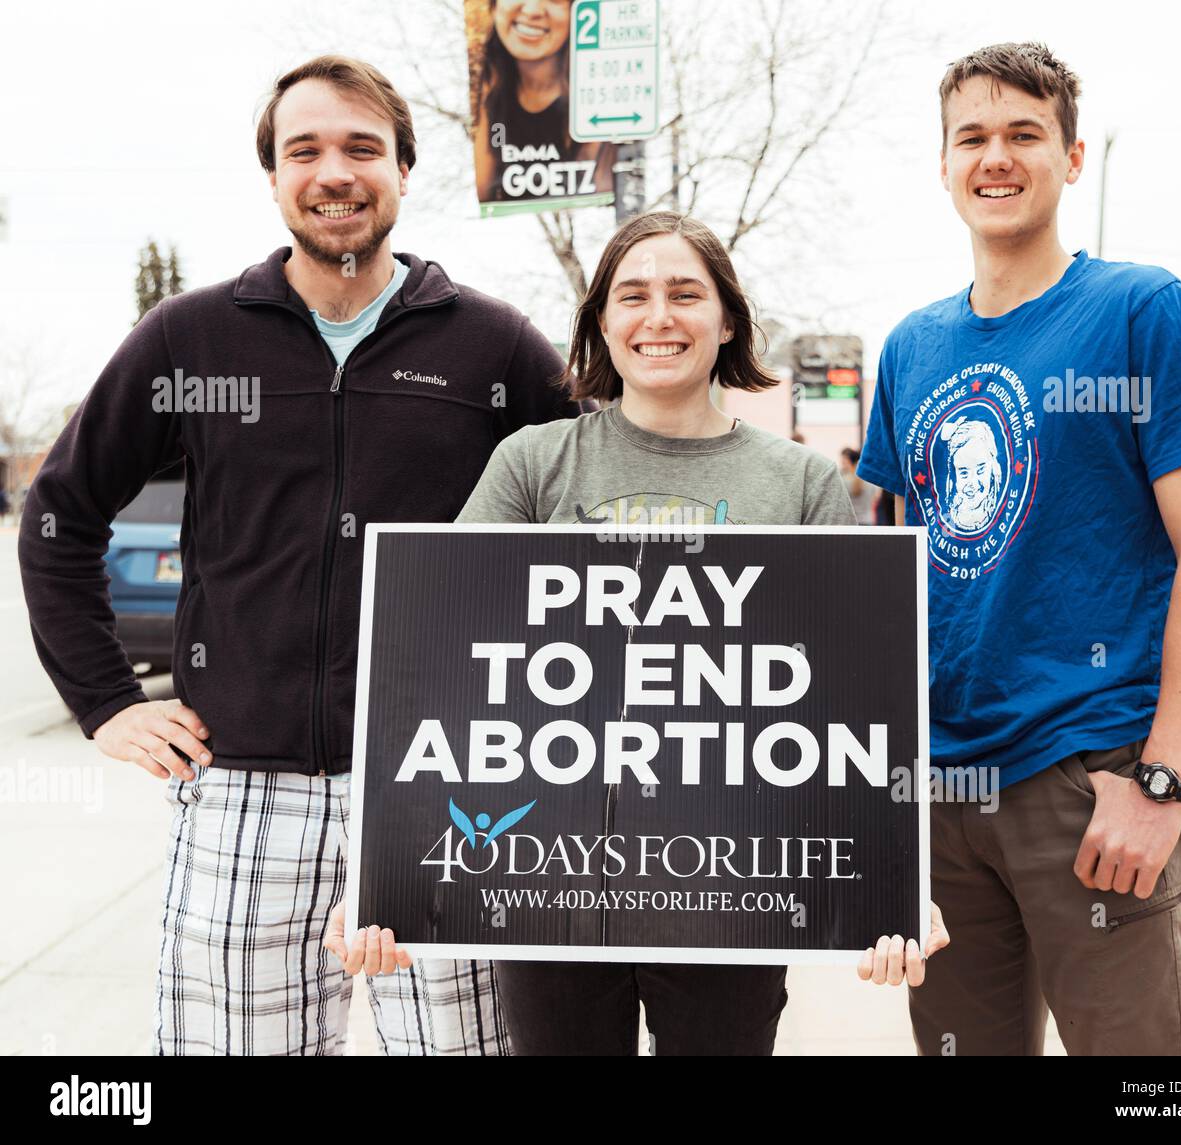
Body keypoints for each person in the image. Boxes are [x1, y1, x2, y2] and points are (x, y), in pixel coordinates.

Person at [19, 55, 577, 1056]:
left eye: (363, 147)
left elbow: (591, 505)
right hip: (243, 789)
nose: (335, 171)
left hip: (449, 789)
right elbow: (60, 512)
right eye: (304, 150)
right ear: (273, 177)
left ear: (404, 170)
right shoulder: (190, 339)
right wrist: (105, 702)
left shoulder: (492, 347)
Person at [331, 210, 950, 1055]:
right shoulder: (532, 463)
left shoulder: (800, 481)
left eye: (685, 294)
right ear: (601, 324)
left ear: (726, 319)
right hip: (548, 880)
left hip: (739, 886)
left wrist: (895, 882)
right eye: (633, 296)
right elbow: (445, 663)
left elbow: (854, 694)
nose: (659, 317)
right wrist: (388, 874)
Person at [857, 42, 1181, 1056]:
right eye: (972, 137)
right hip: (942, 787)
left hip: (1090, 777)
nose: (995, 157)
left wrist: (1160, 782)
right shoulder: (912, 345)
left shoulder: (1139, 309)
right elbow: (889, 574)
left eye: (1022, 134)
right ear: (943, 162)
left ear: (1070, 158)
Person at [473, 0, 614, 204]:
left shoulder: (596, 102)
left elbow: (599, 193)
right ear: (493, 6)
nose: (532, 11)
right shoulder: (491, 89)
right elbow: (487, 191)